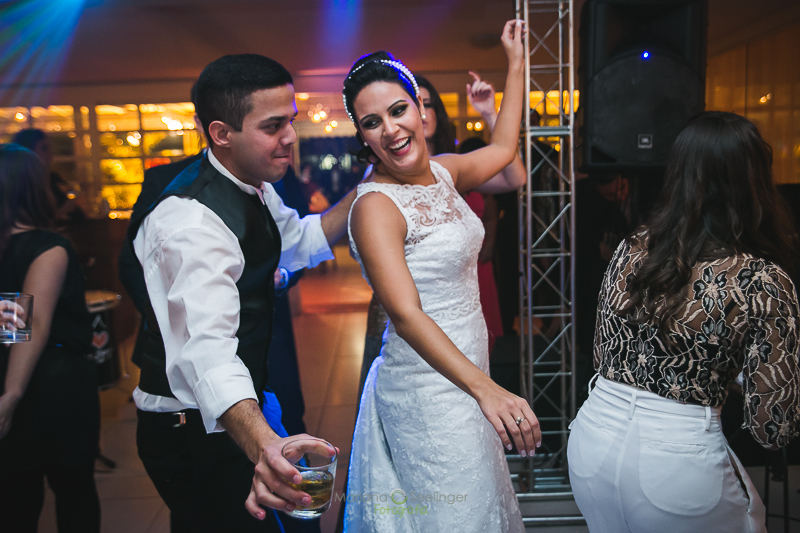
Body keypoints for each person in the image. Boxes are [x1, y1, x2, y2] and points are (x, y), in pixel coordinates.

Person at [129, 54, 357, 532]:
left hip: (234, 407)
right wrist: (264, 443)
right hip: (191, 428)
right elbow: (210, 355)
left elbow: (298, 241)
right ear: (221, 133)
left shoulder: (249, 182)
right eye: (273, 126)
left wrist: (373, 185)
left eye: (290, 121)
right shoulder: (191, 223)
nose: (291, 138)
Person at [341, 20, 536, 531]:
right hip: (428, 387)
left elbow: (503, 153)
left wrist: (515, 66)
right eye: (372, 122)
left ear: (421, 110)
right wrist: (485, 389)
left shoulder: (446, 172)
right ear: (362, 135)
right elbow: (405, 314)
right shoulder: (375, 207)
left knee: (481, 504)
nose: (391, 129)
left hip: (471, 367)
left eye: (398, 110)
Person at [567, 111, 800, 533]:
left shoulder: (632, 248)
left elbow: (605, 353)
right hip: (677, 462)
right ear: (755, 181)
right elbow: (773, 427)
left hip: (592, 442)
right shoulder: (762, 281)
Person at [0, 144, 100, 531]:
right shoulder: (47, 247)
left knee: (15, 497)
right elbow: (32, 323)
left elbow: (13, 325)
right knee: (73, 491)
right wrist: (12, 394)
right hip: (52, 385)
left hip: (16, 374)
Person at [12, 129, 86, 222]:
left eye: (49, 148)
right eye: (44, 148)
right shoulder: (19, 185)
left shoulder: (53, 179)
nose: (50, 154)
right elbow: (30, 224)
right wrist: (64, 209)